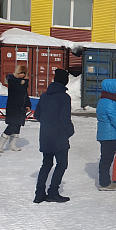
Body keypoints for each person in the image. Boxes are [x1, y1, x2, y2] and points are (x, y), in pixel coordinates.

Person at [33, 69, 75, 203]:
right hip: (59, 136)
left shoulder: (44, 95)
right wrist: (70, 131)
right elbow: (65, 118)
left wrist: (47, 124)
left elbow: (37, 115)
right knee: (62, 164)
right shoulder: (64, 97)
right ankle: (53, 191)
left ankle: (39, 193)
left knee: (46, 164)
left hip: (45, 135)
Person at [96, 78, 116, 191]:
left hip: (104, 134)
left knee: (105, 158)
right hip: (110, 135)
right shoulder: (111, 103)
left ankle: (105, 181)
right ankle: (104, 183)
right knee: (106, 160)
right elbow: (115, 120)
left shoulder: (103, 100)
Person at [0, 64, 31, 153]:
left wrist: (28, 105)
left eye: (24, 73)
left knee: (17, 126)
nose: (22, 75)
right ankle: (0, 145)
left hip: (21, 108)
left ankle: (12, 145)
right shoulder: (13, 81)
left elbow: (25, 95)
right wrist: (25, 83)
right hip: (14, 107)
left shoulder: (23, 84)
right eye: (21, 73)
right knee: (12, 125)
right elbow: (18, 90)